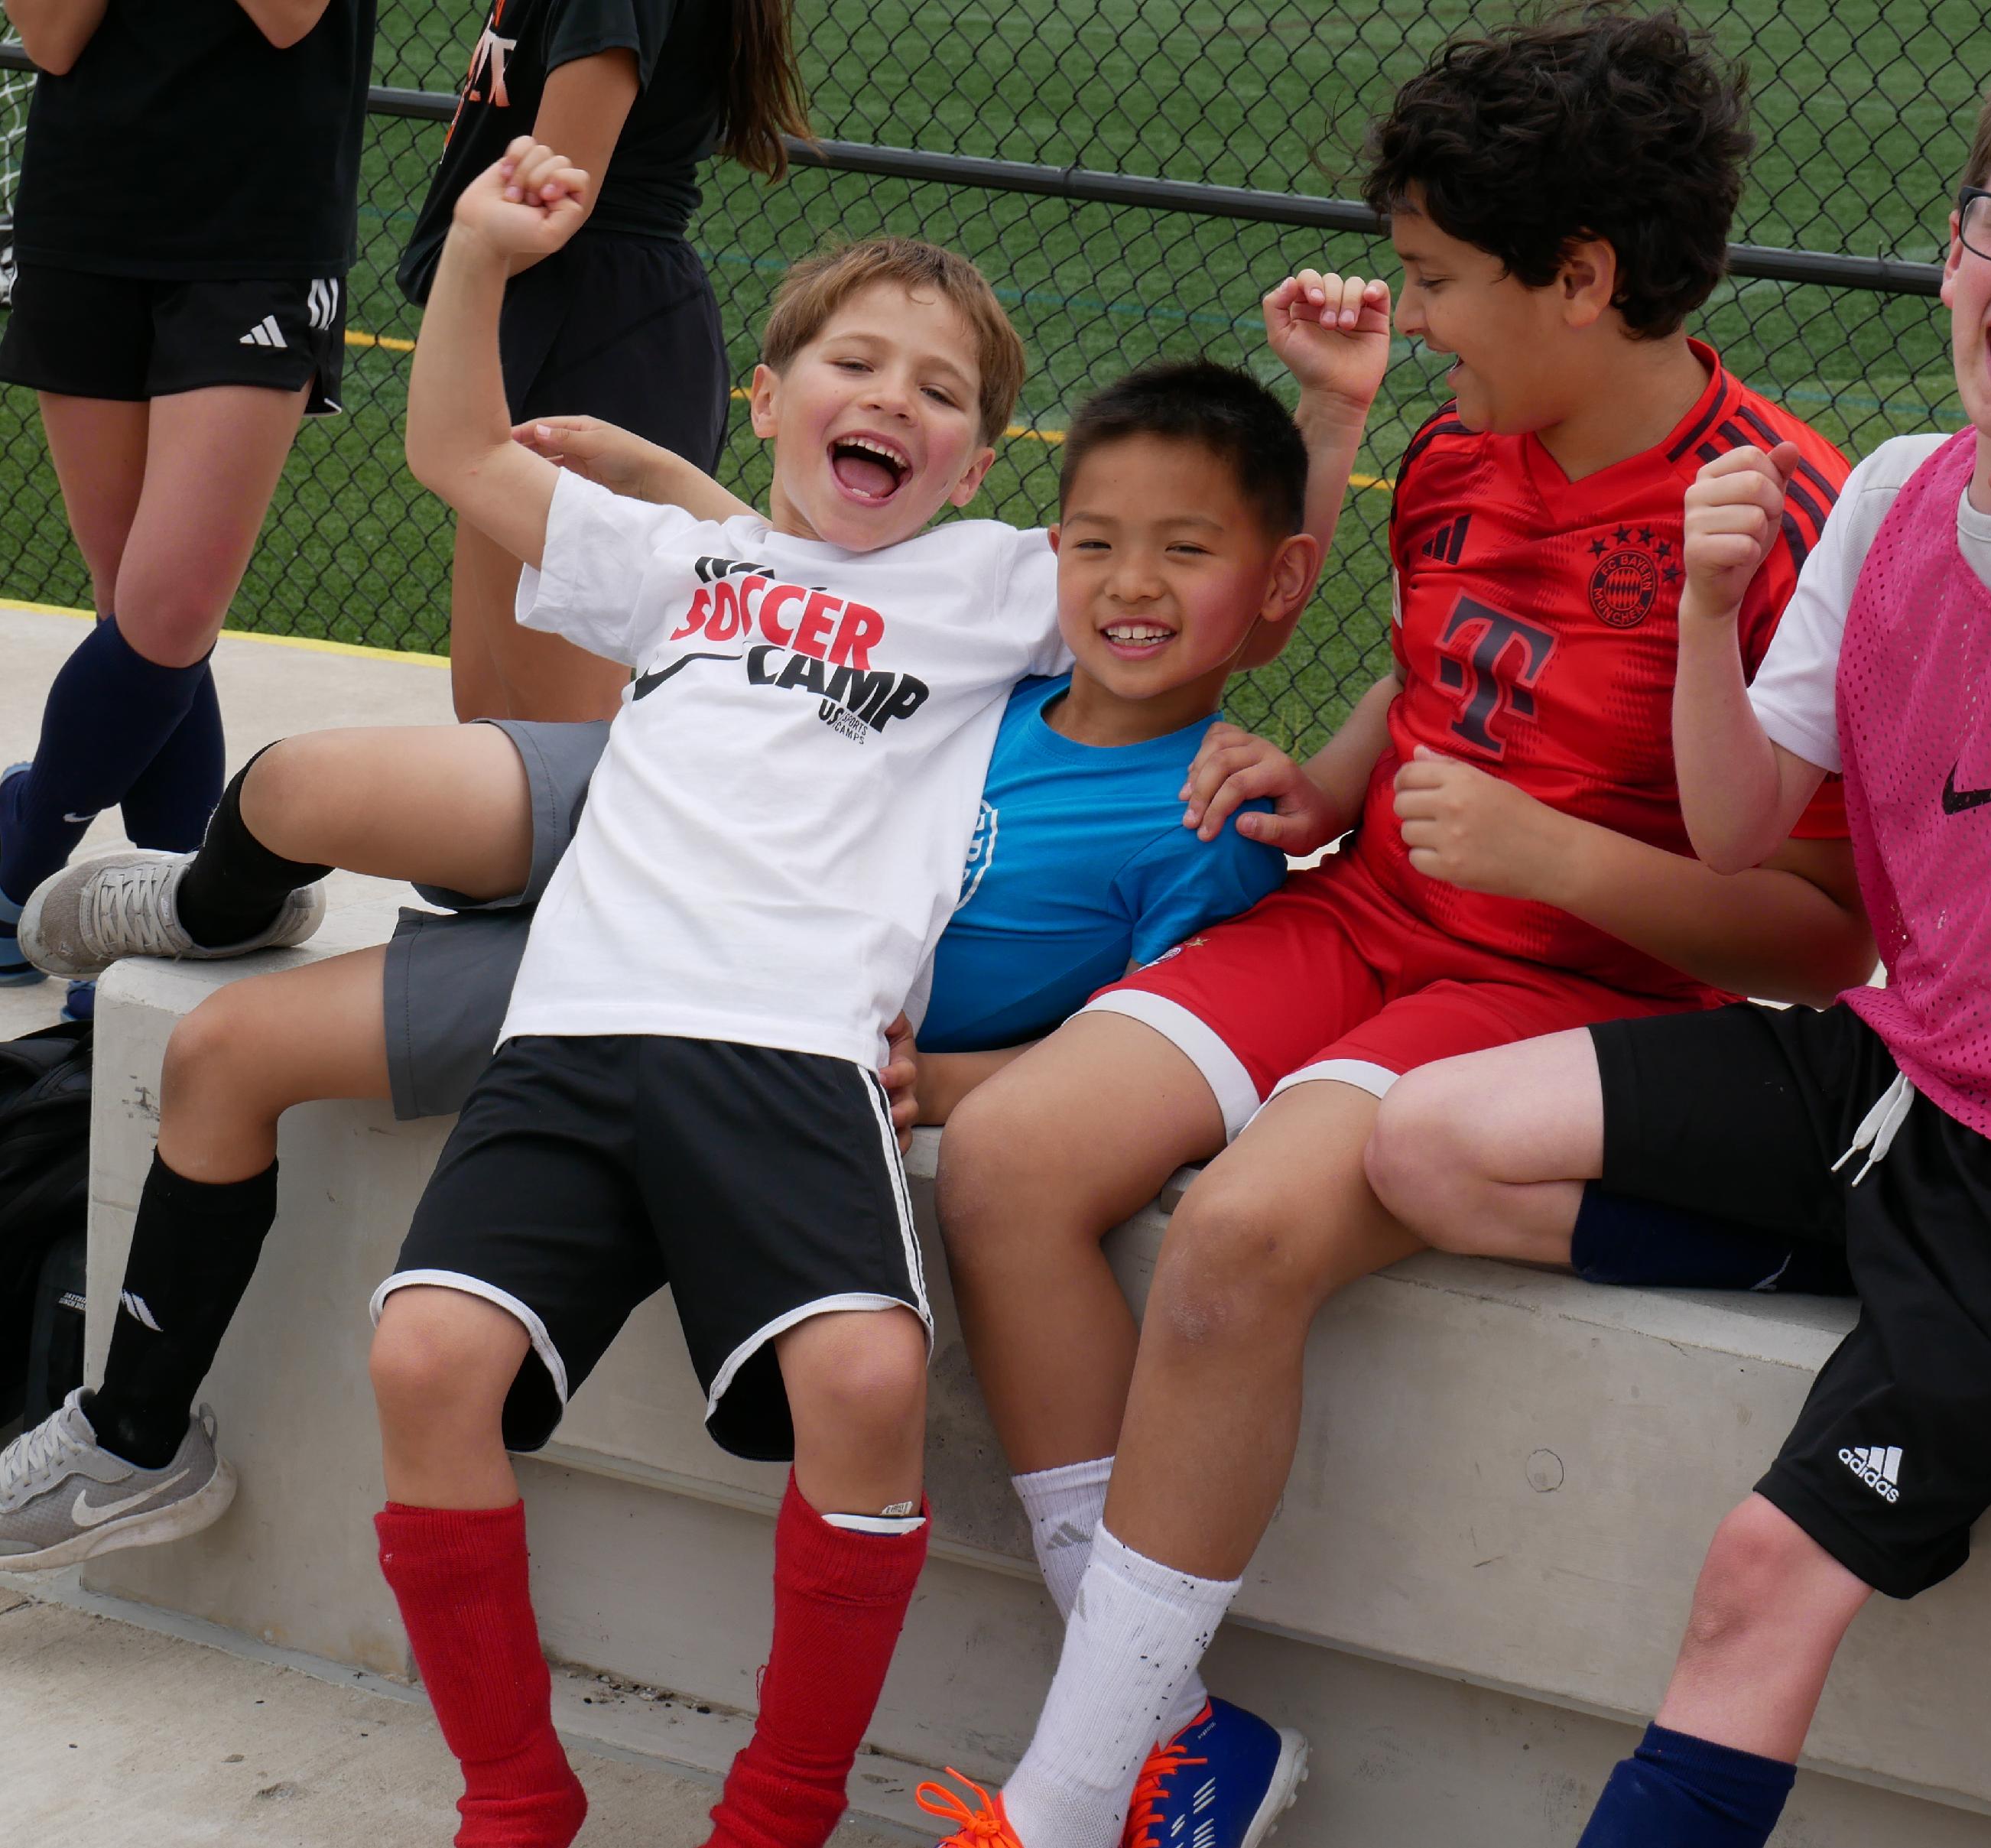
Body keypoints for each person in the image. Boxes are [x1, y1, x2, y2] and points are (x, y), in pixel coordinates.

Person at [915, 13, 1873, 1846]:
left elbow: (1824, 936)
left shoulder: (1782, 521)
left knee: (1237, 1243)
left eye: (1437, 275)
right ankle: (1180, 1737)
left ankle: (1064, 1800)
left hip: (1558, 994)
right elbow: (1435, 671)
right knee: (1011, 1156)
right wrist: (1330, 776)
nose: (1411, 312)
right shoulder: (1457, 449)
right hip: (1360, 918)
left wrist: (1556, 859)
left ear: (1579, 278)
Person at [1366, 37, 1991, 1848]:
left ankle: (1965, 1323)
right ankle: (1899, 1278)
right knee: (1425, 1141)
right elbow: (1731, 826)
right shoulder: (1882, 494)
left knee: (1756, 1575)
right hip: (1914, 1075)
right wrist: (1711, 604)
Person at [0, 352, 1336, 1577]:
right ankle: (216, 906)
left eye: (937, 386)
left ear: (986, 462)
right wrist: (657, 481)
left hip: (731, 991)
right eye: (1097, 543)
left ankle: (130, 1445)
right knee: (302, 789)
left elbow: (1232, 583)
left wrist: (967, 1072)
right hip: (671, 825)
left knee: (226, 1049)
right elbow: (825, 582)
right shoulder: (1014, 630)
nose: (1127, 577)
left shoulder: (1156, 758)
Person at [0, 0, 378, 1015]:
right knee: (131, 601)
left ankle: (18, 854)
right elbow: (51, 35)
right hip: (85, 216)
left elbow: (290, 16)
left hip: (256, 231)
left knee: (166, 612)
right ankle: (178, 913)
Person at [400, 0, 807, 726]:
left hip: (593, 327)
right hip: (564, 310)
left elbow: (553, 202)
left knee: (568, 750)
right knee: (498, 728)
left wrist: (466, 259)